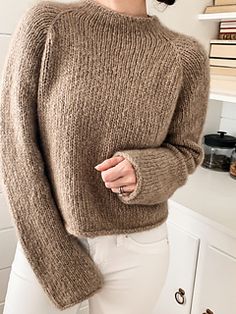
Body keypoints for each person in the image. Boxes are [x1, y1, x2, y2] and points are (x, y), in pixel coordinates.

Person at [0, 0, 210, 313]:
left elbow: (186, 152)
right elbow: (14, 145)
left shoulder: (185, 55)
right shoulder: (48, 25)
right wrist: (57, 256)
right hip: (50, 241)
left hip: (138, 250)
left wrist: (146, 171)